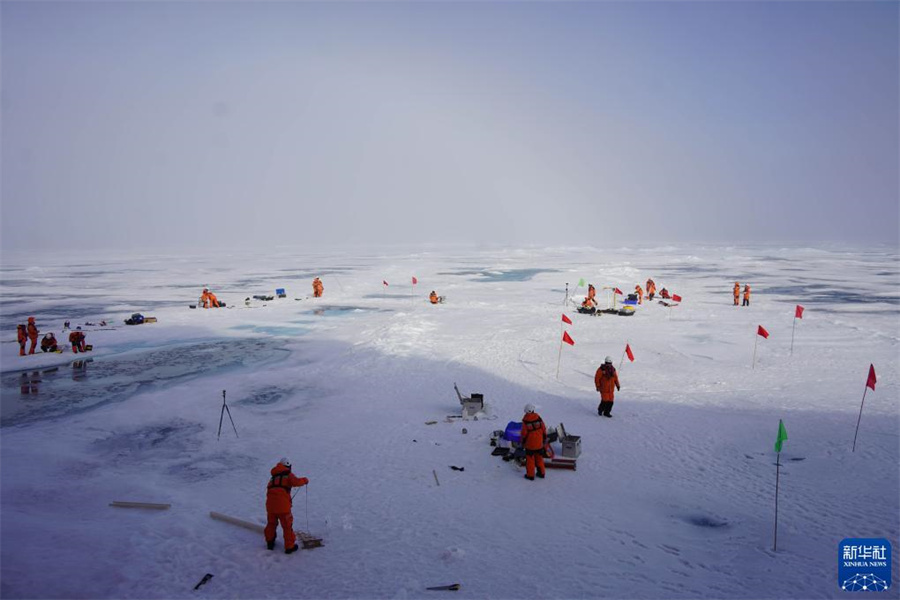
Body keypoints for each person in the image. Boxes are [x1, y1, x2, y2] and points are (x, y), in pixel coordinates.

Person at [265, 458, 309, 554]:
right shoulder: (288, 475)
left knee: (271, 525)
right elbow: (296, 482)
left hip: (270, 507)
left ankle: (270, 543)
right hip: (283, 507)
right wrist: (305, 480)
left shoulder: (272, 478)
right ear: (288, 466)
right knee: (287, 526)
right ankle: (289, 547)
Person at [521, 404, 546, 481]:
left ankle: (530, 475)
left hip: (530, 445)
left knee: (530, 460)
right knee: (539, 458)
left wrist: (523, 442)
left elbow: (523, 434)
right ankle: (541, 473)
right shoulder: (539, 418)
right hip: (539, 444)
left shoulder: (525, 421)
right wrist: (543, 439)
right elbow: (544, 429)